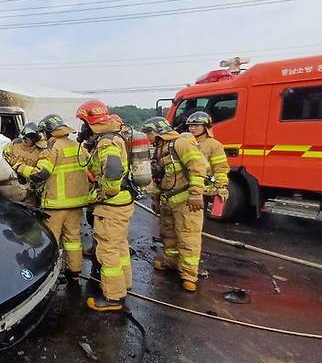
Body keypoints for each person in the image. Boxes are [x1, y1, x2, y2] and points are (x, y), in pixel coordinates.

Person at [12, 114, 90, 281]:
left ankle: (46, 274)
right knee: (73, 239)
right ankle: (74, 271)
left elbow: (41, 174)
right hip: (77, 204)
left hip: (56, 204)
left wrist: (20, 167)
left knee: (51, 240)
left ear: (47, 132)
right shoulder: (77, 146)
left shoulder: (51, 148)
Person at [76, 101, 135, 311]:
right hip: (124, 202)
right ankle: (124, 284)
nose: (83, 127)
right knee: (119, 246)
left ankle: (113, 297)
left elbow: (112, 169)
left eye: (83, 122)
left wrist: (105, 191)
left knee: (108, 250)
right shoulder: (117, 135)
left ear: (90, 121)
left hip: (112, 205)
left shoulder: (106, 141)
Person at [141, 117, 207, 292]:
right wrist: (155, 199)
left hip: (186, 202)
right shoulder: (159, 149)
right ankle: (171, 262)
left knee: (188, 237)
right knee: (168, 234)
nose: (147, 137)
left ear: (155, 131)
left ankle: (188, 275)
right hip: (168, 200)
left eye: (148, 133)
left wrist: (195, 194)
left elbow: (198, 167)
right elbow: (158, 177)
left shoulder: (181, 143)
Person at [185, 111, 230, 203]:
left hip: (202, 189)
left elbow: (220, 168)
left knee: (197, 216)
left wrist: (221, 187)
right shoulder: (184, 142)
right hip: (183, 188)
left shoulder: (214, 145)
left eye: (196, 125)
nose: (192, 128)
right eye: (190, 125)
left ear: (206, 127)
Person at [3, 122, 43, 206]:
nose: (23, 140)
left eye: (26, 139)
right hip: (12, 185)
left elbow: (40, 174)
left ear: (34, 140)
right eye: (23, 138)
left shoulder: (40, 151)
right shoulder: (13, 145)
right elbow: (4, 158)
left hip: (29, 190)